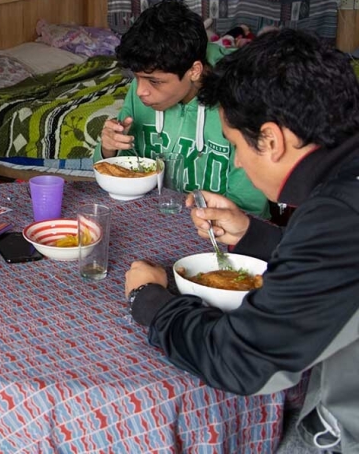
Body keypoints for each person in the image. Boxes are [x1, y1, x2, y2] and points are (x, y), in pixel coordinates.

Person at [125, 29, 359, 452]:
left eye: (235, 144)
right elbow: (338, 269)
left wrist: (149, 299)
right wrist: (254, 236)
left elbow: (241, 361)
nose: (235, 159)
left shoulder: (338, 215)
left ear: (271, 140)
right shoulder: (344, 188)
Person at [94, 0, 268, 217]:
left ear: (194, 70)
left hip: (222, 229)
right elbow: (124, 171)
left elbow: (250, 206)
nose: (140, 92)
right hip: (156, 217)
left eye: (155, 81)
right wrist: (108, 149)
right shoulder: (143, 90)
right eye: (137, 78)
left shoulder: (241, 96)